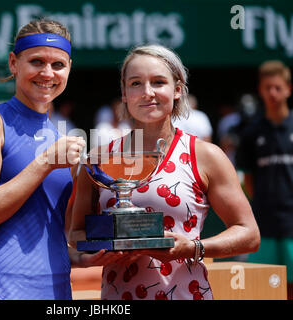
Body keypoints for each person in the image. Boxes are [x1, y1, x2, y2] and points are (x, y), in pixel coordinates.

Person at [69, 44, 260, 300]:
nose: (147, 93)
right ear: (124, 93)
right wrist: (96, 252)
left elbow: (248, 234)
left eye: (158, 82)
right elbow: (77, 232)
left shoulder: (206, 155)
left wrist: (192, 248)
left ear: (177, 89)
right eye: (136, 83)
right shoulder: (98, 159)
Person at [0, 18, 112, 300]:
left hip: (56, 291)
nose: (47, 73)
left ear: (69, 69)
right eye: (36, 62)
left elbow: (49, 228)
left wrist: (78, 257)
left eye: (58, 65)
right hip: (0, 290)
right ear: (13, 63)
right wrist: (45, 163)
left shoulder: (60, 135)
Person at [235, 60, 293, 299]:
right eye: (268, 87)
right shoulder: (252, 132)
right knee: (267, 288)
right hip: (265, 223)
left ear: (288, 89)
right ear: (260, 89)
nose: (273, 93)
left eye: (278, 87)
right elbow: (247, 179)